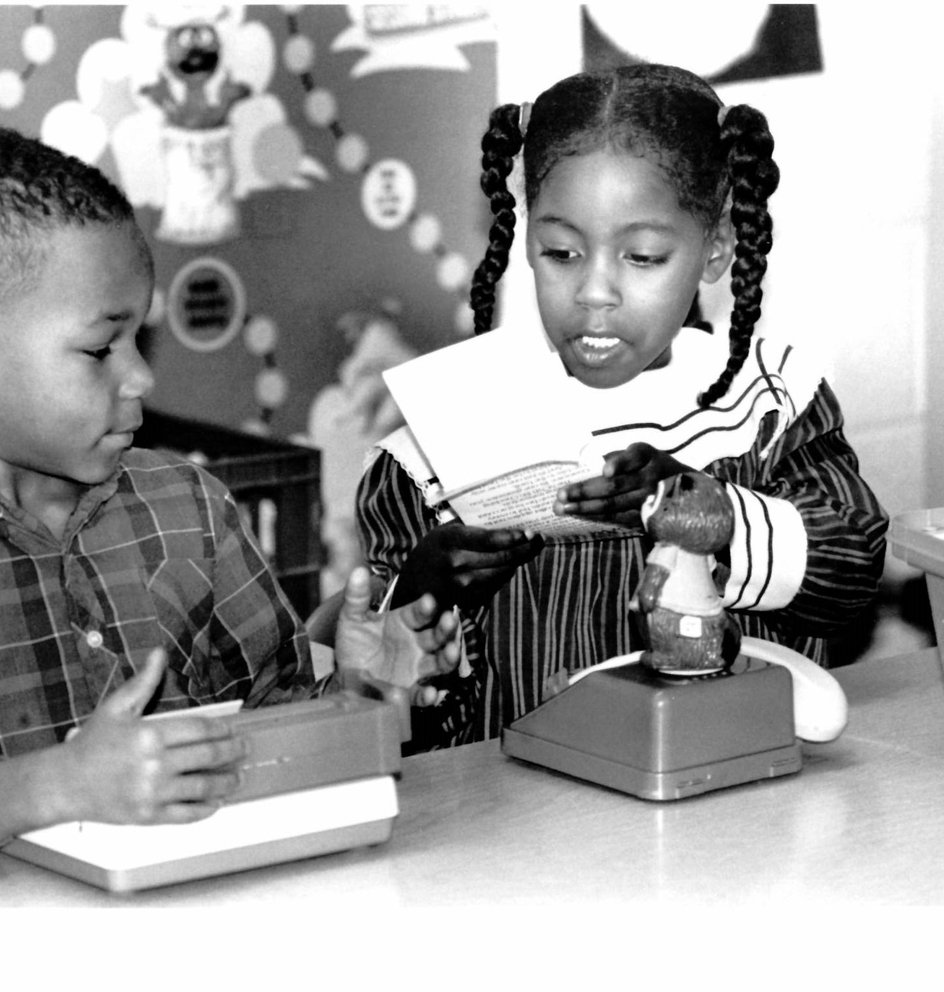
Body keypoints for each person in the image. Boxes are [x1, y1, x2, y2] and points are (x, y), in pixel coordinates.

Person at [0, 125, 458, 870]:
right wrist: (61, 784)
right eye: (101, 348)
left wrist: (356, 693)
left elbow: (275, 719)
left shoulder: (189, 505)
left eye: (140, 340)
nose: (141, 377)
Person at [356, 63, 888, 751]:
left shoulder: (769, 402)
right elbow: (380, 701)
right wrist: (423, 588)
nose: (595, 291)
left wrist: (713, 511)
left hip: (728, 791)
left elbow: (852, 568)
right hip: (523, 814)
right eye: (561, 252)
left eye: (641, 257)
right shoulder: (443, 437)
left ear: (715, 248)